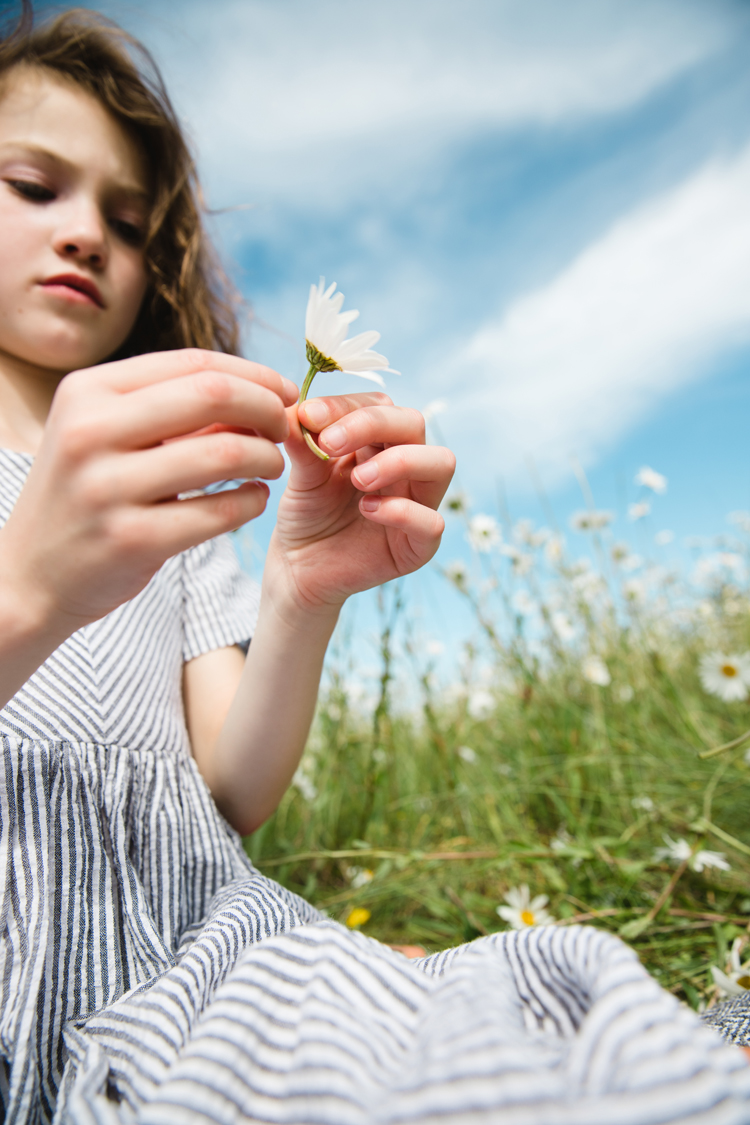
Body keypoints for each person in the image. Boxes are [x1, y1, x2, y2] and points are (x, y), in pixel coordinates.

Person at [0, 7, 748, 1125]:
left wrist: (301, 592)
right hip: (30, 971)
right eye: (31, 184)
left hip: (210, 954)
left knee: (543, 1020)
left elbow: (230, 793)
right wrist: (29, 589)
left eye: (127, 217)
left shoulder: (175, 497)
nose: (87, 234)